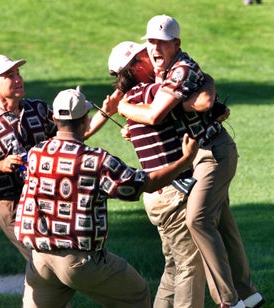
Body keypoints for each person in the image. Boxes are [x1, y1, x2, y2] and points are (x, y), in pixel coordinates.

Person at [117, 15, 265, 308]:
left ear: (176, 44)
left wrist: (125, 107)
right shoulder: (163, 74)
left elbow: (155, 115)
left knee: (197, 218)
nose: (154, 49)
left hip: (214, 153)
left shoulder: (180, 70)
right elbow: (201, 103)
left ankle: (229, 301)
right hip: (202, 154)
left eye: (161, 43)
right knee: (222, 223)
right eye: (150, 43)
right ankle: (250, 295)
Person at [14, 86, 199, 308]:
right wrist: (184, 162)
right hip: (81, 262)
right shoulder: (97, 161)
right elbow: (146, 184)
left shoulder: (35, 154)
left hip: (39, 260)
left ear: (54, 118)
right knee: (136, 293)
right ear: (84, 120)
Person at [108, 41, 225, 308]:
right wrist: (206, 78)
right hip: (173, 192)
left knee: (173, 267)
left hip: (156, 196)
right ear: (136, 66)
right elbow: (206, 101)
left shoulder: (134, 97)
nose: (153, 55)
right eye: (145, 54)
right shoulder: (152, 92)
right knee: (189, 267)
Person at [0, 55, 114, 261]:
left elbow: (76, 133)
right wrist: (1, 165)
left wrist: (106, 111)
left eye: (18, 73)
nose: (18, 79)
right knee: (43, 261)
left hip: (49, 196)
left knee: (55, 260)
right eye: (9, 76)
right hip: (12, 205)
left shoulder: (37, 109)